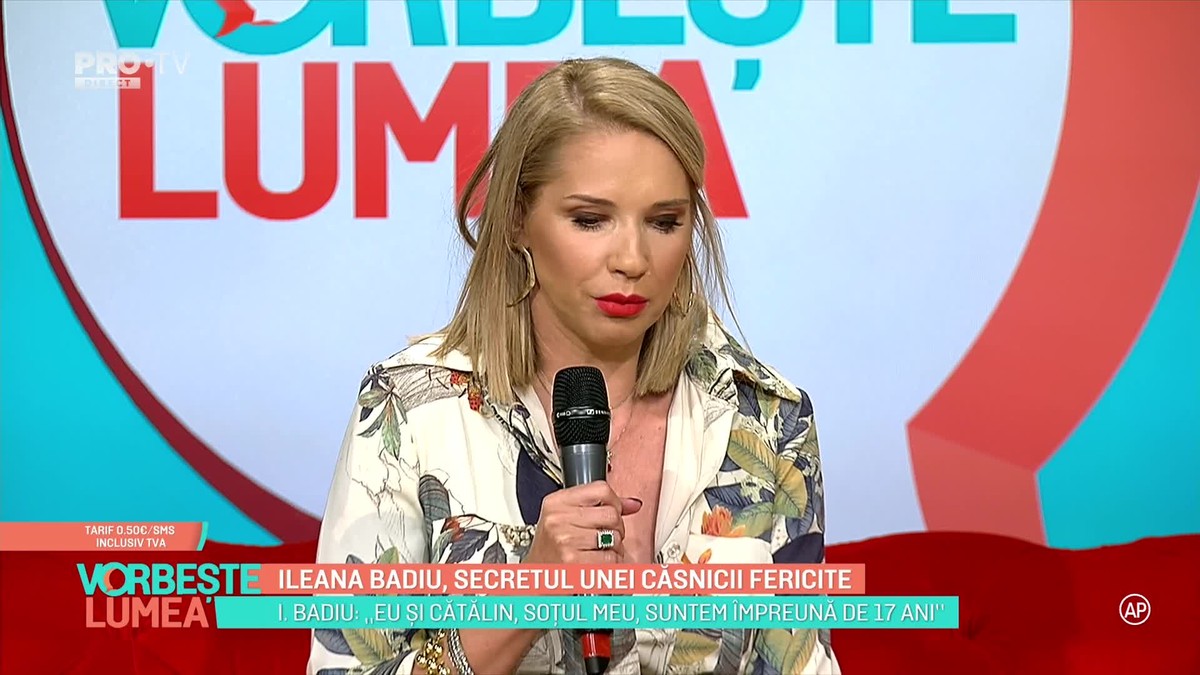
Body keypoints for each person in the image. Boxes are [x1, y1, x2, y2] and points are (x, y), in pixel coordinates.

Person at [307, 56, 838, 675]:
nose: (632, 259)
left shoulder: (768, 418)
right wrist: (524, 597)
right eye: (590, 220)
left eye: (664, 222)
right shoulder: (410, 409)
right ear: (516, 220)